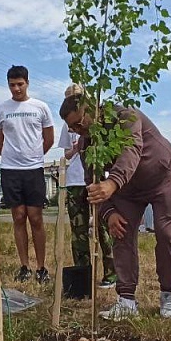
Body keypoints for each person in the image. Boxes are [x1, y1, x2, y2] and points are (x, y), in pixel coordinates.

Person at [60, 93, 171, 321]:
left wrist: (112, 182)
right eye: (71, 127)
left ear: (94, 110)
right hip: (128, 188)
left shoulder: (125, 115)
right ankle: (126, 301)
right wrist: (109, 212)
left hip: (162, 178)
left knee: (166, 234)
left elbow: (131, 150)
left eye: (79, 123)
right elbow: (91, 182)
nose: (77, 130)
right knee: (121, 232)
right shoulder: (87, 143)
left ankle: (167, 294)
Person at [0, 65, 55, 283]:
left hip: (34, 169)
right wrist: (11, 157)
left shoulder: (40, 107)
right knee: (18, 217)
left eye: (20, 84)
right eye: (12, 85)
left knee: (35, 218)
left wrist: (34, 155)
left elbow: (49, 138)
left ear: (27, 82)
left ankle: (41, 267)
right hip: (11, 170)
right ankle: (24, 266)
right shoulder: (1, 110)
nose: (16, 89)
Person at [57, 84, 116, 287]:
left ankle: (111, 273)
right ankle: (83, 277)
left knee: (102, 226)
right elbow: (65, 154)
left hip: (96, 179)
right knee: (79, 230)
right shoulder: (68, 124)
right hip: (75, 180)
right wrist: (75, 148)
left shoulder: (98, 122)